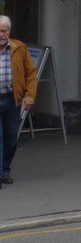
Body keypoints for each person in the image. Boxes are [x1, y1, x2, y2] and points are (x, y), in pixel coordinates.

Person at [0, 15, 37, 187]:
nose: (1, 34)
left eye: (4, 31)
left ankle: (5, 169)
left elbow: (30, 74)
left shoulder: (19, 48)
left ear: (9, 31)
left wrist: (29, 96)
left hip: (11, 100)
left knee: (10, 137)